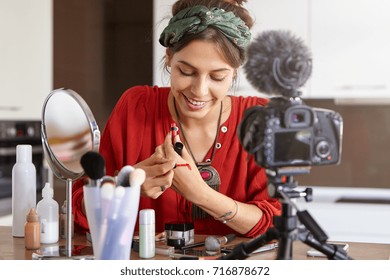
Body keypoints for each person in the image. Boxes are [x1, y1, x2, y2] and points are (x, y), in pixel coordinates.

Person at [72, 0, 281, 238]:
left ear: (235, 70)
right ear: (169, 56)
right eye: (186, 72)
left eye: (217, 77)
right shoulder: (135, 106)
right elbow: (80, 209)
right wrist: (127, 186)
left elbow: (277, 223)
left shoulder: (259, 120)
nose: (199, 91)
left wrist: (201, 195)